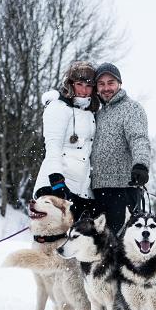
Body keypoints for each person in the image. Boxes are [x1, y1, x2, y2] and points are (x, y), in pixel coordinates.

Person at [33, 61, 99, 219]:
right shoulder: (58, 107)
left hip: (81, 188)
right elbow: (53, 146)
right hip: (56, 184)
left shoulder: (91, 113)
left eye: (89, 86)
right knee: (51, 237)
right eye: (80, 84)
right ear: (71, 84)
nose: (84, 90)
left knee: (74, 242)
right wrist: (57, 180)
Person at [90, 62, 151, 234]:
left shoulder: (131, 108)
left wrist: (141, 165)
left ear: (119, 84)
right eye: (101, 84)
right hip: (97, 189)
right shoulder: (98, 114)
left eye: (111, 83)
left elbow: (139, 139)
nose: (106, 88)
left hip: (123, 189)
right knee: (100, 246)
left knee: (120, 244)